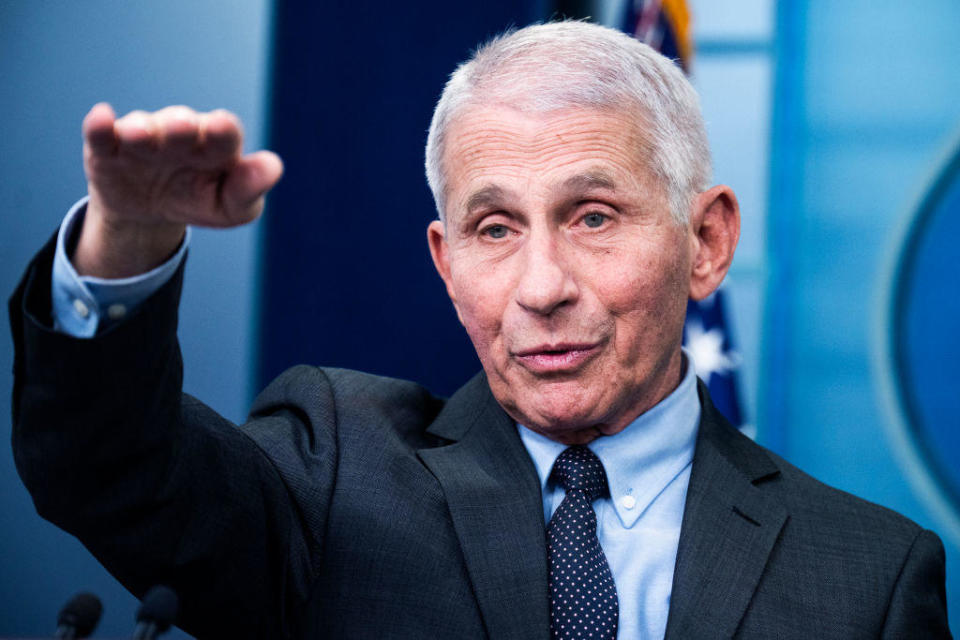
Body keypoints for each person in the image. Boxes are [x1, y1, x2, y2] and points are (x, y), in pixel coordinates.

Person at [9, 21, 950, 640]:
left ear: (706, 243)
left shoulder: (870, 577)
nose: (540, 287)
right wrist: (124, 245)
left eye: (592, 216)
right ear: (445, 262)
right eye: (495, 229)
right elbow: (109, 467)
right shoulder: (336, 471)